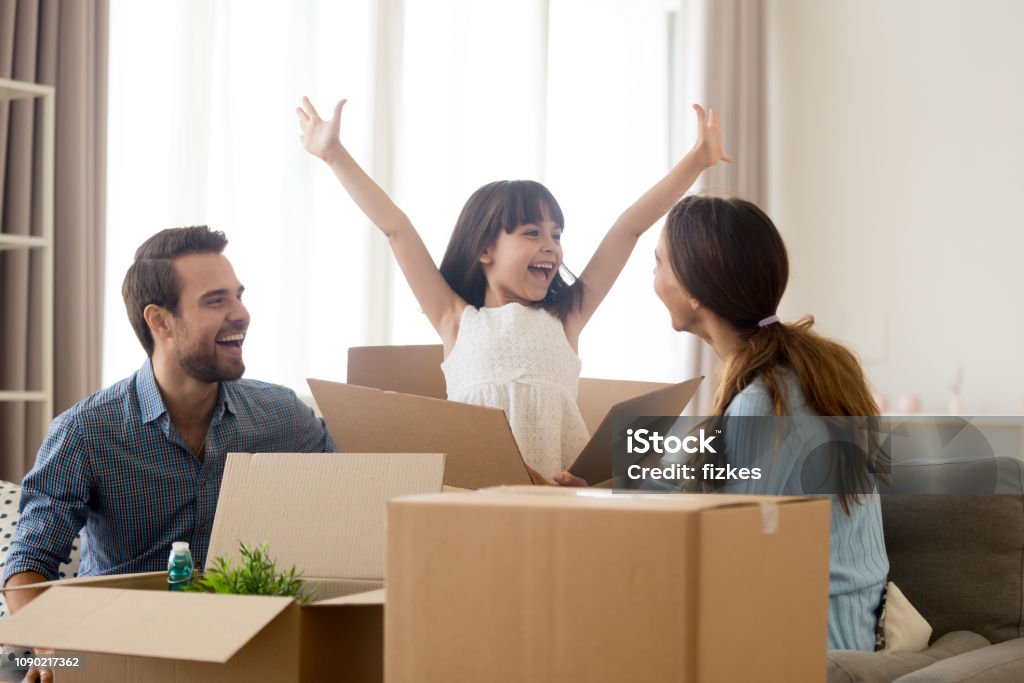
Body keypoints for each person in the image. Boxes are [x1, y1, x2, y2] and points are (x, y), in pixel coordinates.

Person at [297, 97, 731, 478]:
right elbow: (396, 229)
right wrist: (335, 155)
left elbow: (628, 229)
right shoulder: (455, 320)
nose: (551, 247)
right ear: (485, 249)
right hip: (479, 497)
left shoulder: (567, 317)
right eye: (532, 233)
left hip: (558, 497)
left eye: (557, 235)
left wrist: (696, 161)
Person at [558, 195, 889, 651]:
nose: (652, 280)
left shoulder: (764, 401)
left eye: (658, 264)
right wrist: (591, 494)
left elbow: (729, 547)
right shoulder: (797, 374)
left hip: (817, 645)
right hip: (840, 625)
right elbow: (707, 486)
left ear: (695, 291)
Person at [3, 226, 336, 616]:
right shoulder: (86, 431)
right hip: (123, 645)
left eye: (238, 296)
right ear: (159, 321)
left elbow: (358, 492)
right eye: (215, 301)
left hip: (241, 640)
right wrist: (53, 649)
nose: (240, 313)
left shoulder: (282, 415)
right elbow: (27, 566)